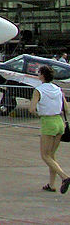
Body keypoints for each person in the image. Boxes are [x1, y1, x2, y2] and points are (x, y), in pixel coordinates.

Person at [29, 65, 70, 193]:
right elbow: (67, 108)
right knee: (52, 155)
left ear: (42, 75)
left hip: (48, 122)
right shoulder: (58, 89)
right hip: (59, 122)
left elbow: (31, 109)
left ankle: (64, 177)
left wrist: (39, 113)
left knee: (45, 156)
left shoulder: (38, 90)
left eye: (39, 73)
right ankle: (51, 184)